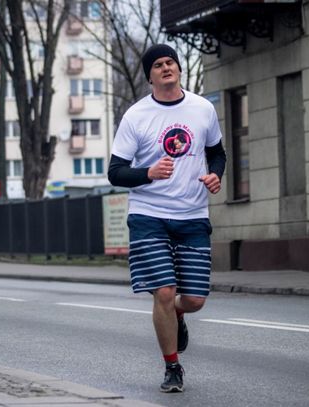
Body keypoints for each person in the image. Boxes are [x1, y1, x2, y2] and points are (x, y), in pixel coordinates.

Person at [107, 44, 226, 393]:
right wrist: (148, 173)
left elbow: (217, 152)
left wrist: (215, 175)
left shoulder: (203, 109)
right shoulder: (136, 116)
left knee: (194, 300)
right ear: (150, 76)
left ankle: (178, 313)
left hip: (192, 214)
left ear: (179, 68)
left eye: (170, 62)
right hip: (149, 215)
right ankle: (172, 366)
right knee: (163, 291)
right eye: (158, 64)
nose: (165, 67)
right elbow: (115, 172)